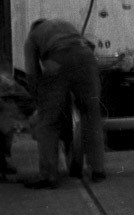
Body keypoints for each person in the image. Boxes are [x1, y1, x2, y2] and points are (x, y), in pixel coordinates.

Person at [24, 18, 105, 189]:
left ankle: (48, 176)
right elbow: (89, 46)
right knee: (92, 115)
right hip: (86, 58)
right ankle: (98, 169)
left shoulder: (32, 37)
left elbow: (32, 73)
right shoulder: (65, 24)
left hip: (58, 59)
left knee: (48, 123)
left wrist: (40, 100)